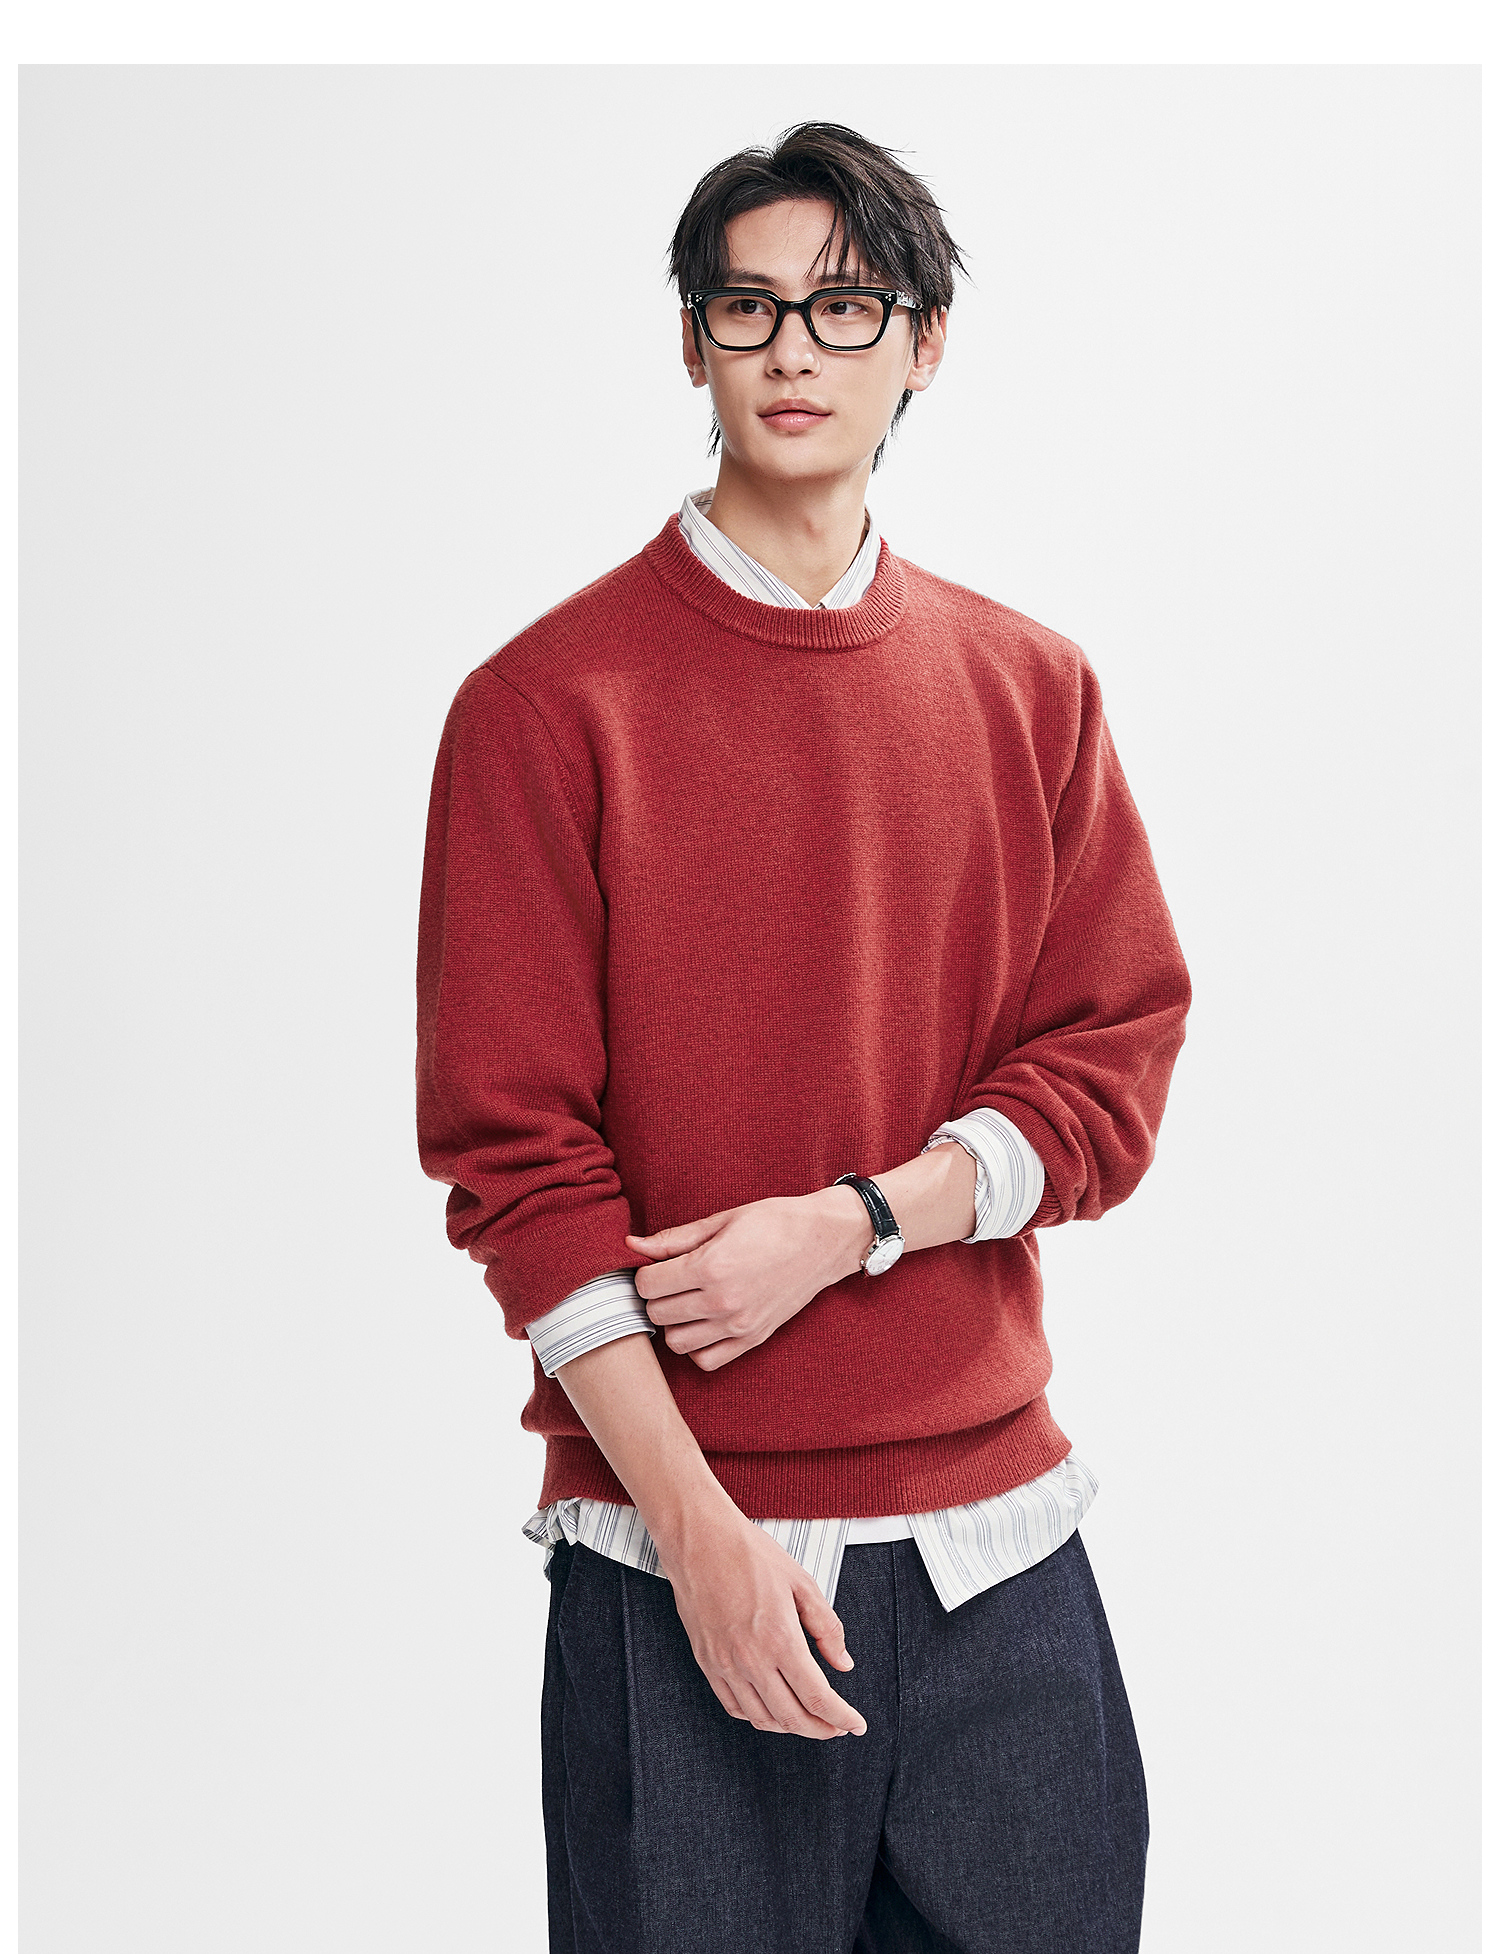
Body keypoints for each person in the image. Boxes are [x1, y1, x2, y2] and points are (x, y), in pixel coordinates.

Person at [416, 121, 1191, 1954]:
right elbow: (518, 1172)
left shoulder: (1032, 690)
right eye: (748, 305)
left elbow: (1111, 1061)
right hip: (679, 1563)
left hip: (1005, 1560)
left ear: (925, 345)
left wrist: (853, 1221)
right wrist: (698, 1537)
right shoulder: (543, 706)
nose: (792, 348)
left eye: (846, 308)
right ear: (690, 340)